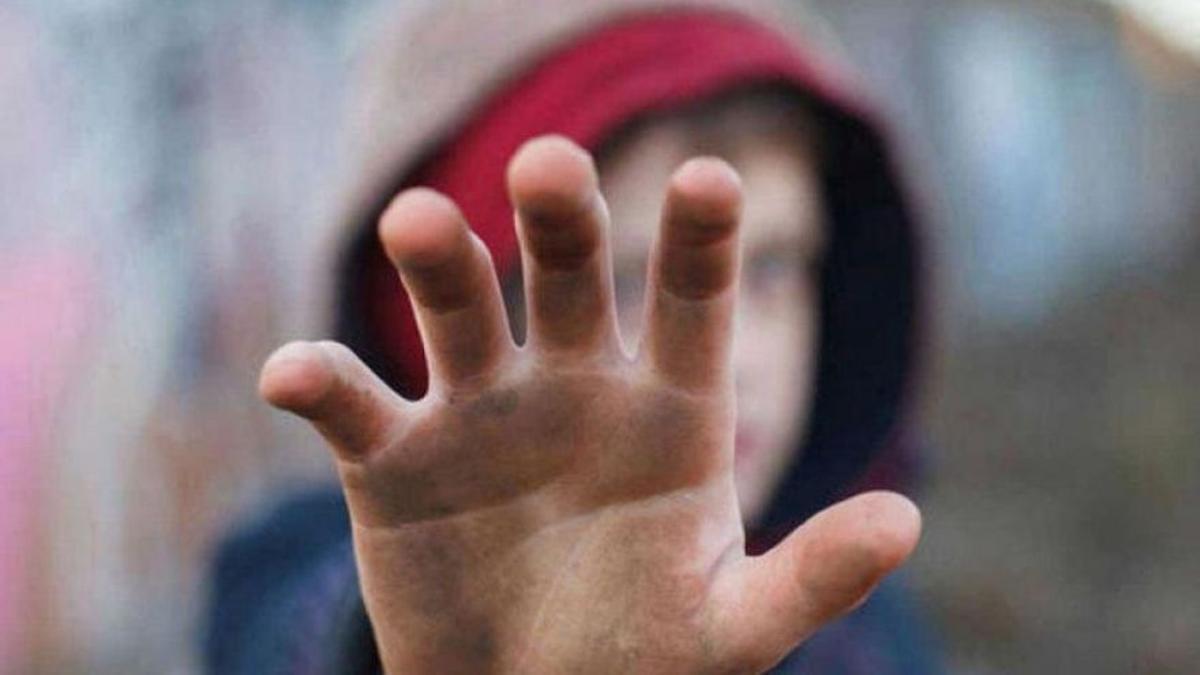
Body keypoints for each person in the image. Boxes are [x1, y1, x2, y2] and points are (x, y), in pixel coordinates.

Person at [205, 1, 940, 672]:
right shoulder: (291, 567)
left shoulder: (866, 618)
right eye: (624, 283)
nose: (735, 358)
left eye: (775, 266)